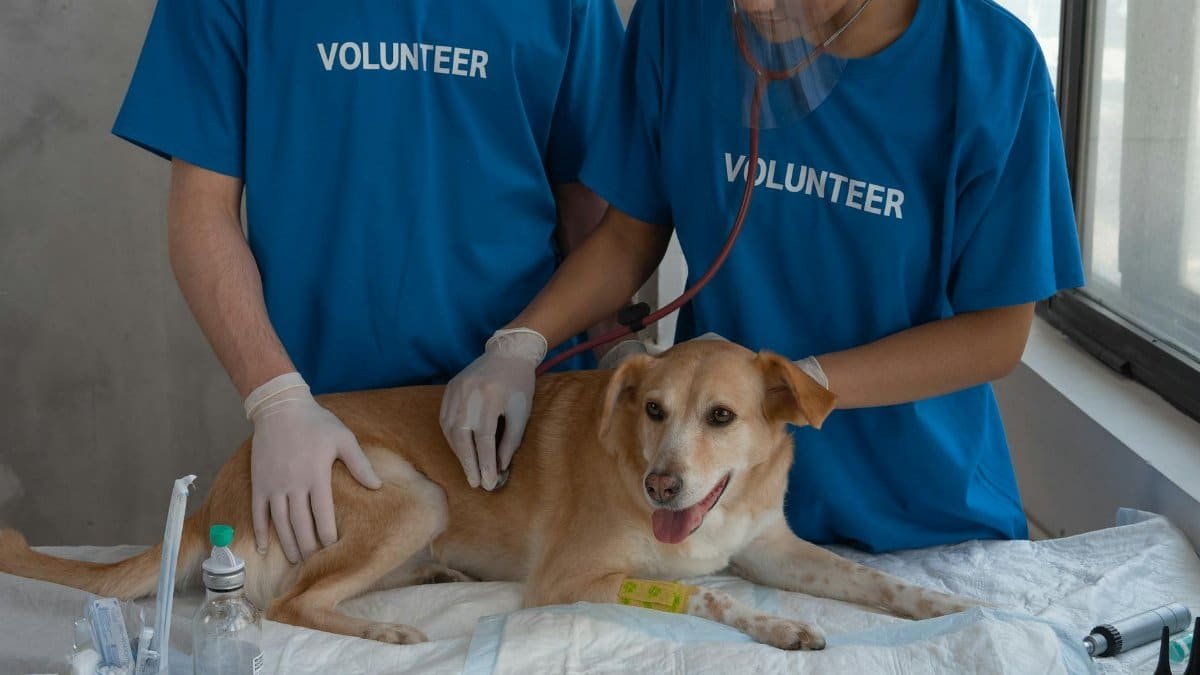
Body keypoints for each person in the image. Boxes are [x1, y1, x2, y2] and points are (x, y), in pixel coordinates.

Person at [441, 0, 1086, 553]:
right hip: (723, 510)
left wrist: (799, 387)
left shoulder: (992, 68)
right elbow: (626, 239)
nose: (748, 8)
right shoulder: (679, 20)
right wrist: (520, 344)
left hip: (918, 511)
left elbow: (996, 337)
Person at [112, 0, 634, 564]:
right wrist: (274, 397)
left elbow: (593, 218)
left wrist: (609, 350)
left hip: (522, 424)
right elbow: (201, 214)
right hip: (339, 438)